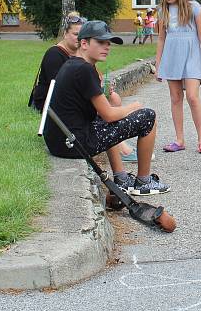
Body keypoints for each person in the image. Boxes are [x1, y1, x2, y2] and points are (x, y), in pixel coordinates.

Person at [43, 20, 169, 195]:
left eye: (108, 43)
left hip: (60, 141)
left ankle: (122, 178)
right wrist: (134, 106)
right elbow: (109, 114)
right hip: (75, 144)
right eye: (101, 42)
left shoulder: (73, 64)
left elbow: (101, 113)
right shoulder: (85, 70)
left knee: (108, 119)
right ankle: (144, 182)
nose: (106, 47)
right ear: (84, 43)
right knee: (148, 117)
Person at [29, 12, 138, 161]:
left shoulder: (79, 60)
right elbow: (63, 89)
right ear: (65, 34)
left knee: (113, 99)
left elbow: (89, 82)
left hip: (67, 121)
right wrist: (134, 107)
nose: (79, 38)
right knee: (127, 114)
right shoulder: (55, 55)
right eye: (76, 34)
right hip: (54, 109)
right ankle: (123, 151)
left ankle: (121, 167)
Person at [155, 0, 201, 154]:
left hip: (191, 55)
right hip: (171, 56)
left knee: (192, 96)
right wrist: (158, 64)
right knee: (175, 98)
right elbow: (161, 38)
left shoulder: (194, 7)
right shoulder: (162, 9)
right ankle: (179, 140)